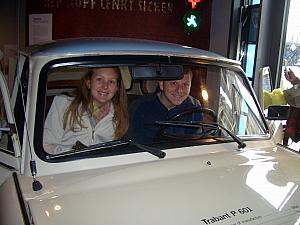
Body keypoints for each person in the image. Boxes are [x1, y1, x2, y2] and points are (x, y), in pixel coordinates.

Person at [43, 67, 129, 154]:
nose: (105, 86)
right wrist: (75, 152)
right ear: (88, 82)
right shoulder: (63, 104)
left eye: (111, 81)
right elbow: (47, 146)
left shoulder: (120, 115)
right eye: (99, 79)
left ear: (117, 87)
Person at [128, 67, 201, 144]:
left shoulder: (194, 108)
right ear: (161, 84)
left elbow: (195, 142)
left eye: (185, 84)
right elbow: (131, 144)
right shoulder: (140, 107)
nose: (180, 90)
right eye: (174, 83)